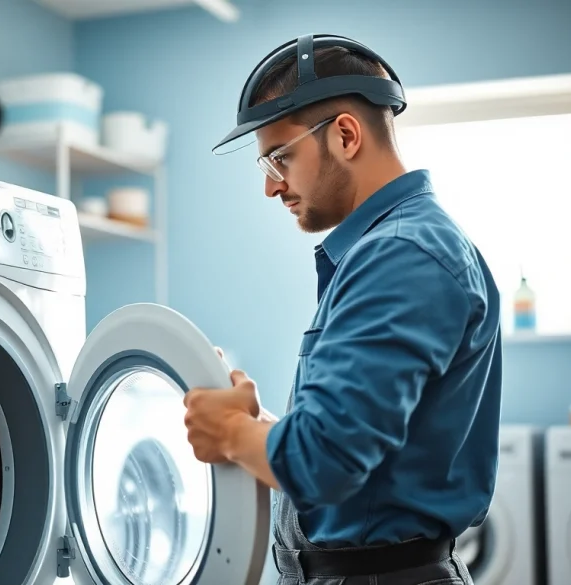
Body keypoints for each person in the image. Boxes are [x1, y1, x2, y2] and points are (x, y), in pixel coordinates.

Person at [182, 34, 502, 585]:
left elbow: (323, 464)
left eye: (280, 157)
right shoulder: (394, 247)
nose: (269, 186)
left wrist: (232, 433)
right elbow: (365, 458)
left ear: (346, 135)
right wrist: (261, 427)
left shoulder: (401, 254)